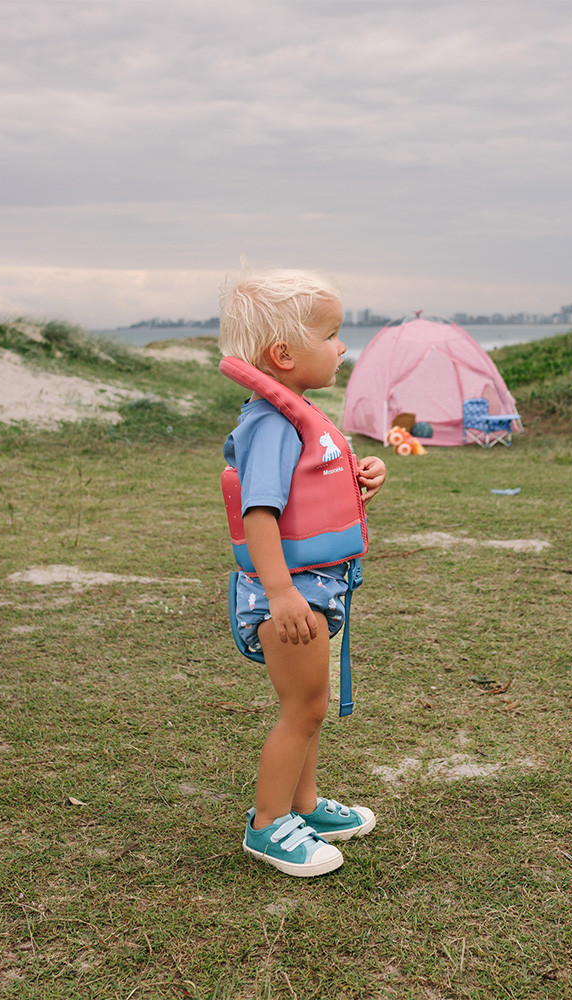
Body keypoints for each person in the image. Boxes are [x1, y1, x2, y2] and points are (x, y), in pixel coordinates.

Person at [218, 267, 387, 877]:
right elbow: (260, 513)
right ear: (284, 355)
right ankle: (268, 825)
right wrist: (282, 592)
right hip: (287, 596)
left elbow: (308, 496)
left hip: (310, 587)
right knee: (303, 709)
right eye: (333, 335)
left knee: (311, 704)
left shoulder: (297, 417)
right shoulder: (269, 425)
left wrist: (361, 476)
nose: (343, 347)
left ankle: (304, 806)